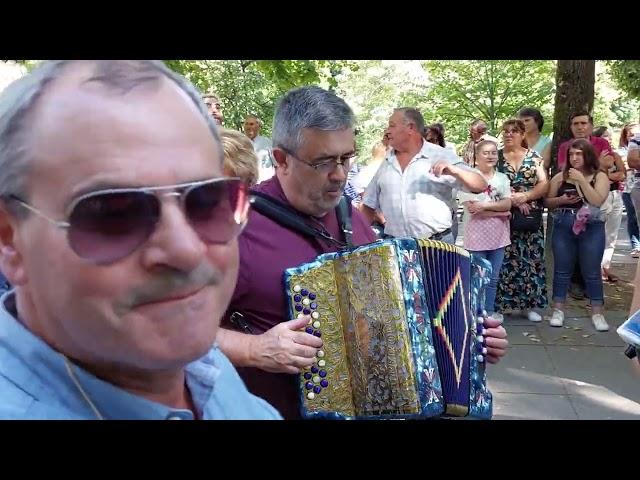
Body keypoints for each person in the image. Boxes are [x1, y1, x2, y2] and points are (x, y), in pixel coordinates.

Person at [0, 60, 281, 420]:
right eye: (115, 213)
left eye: (207, 201)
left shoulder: (198, 364)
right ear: (11, 240)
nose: (186, 250)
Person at [217, 87, 508, 419]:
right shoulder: (235, 228)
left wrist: (471, 340)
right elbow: (159, 332)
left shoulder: (351, 218)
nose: (340, 174)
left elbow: (406, 317)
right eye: (323, 161)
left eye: (346, 157)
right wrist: (253, 349)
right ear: (281, 159)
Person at [362, 108, 488, 243]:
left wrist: (455, 171)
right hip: (398, 248)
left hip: (437, 246)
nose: (387, 131)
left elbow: (481, 185)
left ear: (410, 127)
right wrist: (357, 241)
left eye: (392, 125)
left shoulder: (440, 155)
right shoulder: (387, 161)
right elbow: (368, 204)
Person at [544, 139, 610, 331]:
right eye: (571, 154)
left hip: (592, 226)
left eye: (578, 154)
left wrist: (581, 180)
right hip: (564, 223)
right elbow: (547, 202)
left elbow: (597, 200)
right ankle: (558, 310)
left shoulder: (600, 176)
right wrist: (561, 199)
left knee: (591, 271)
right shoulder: (561, 176)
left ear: (588, 155)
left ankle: (597, 312)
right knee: (562, 270)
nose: (574, 158)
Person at [495, 119, 549, 322]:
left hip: (529, 216)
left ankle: (530, 305)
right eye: (506, 131)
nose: (509, 134)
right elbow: (487, 182)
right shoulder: (496, 157)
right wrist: (513, 200)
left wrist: (526, 197)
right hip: (503, 214)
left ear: (522, 134)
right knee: (504, 259)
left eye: (514, 131)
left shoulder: (534, 157)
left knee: (532, 259)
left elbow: (544, 183)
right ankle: (500, 305)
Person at [457, 139, 511, 321]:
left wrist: (487, 207)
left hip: (500, 235)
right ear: (476, 156)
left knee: (493, 278)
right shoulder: (469, 178)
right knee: (476, 276)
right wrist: (501, 211)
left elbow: (508, 203)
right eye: (485, 152)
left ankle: (488, 311)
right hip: (476, 235)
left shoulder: (502, 178)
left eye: (493, 152)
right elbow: (473, 209)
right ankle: (474, 313)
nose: (490, 156)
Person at [592, 126, 626, 282]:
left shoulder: (615, 156)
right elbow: (593, 176)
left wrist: (606, 175)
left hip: (615, 195)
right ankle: (595, 268)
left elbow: (622, 174)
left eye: (610, 136)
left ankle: (606, 267)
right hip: (602, 195)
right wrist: (606, 174)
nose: (609, 139)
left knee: (611, 235)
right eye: (605, 136)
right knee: (599, 232)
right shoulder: (594, 156)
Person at [618, 123, 640, 258]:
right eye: (630, 134)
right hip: (629, 187)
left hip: (633, 184)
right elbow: (631, 162)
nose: (632, 136)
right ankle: (636, 245)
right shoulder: (624, 149)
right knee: (632, 218)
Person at [243, 114, 275, 182]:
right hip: (248, 186)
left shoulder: (267, 143)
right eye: (246, 124)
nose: (248, 127)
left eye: (251, 124)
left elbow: (277, 164)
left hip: (267, 185)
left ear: (258, 126)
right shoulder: (240, 143)